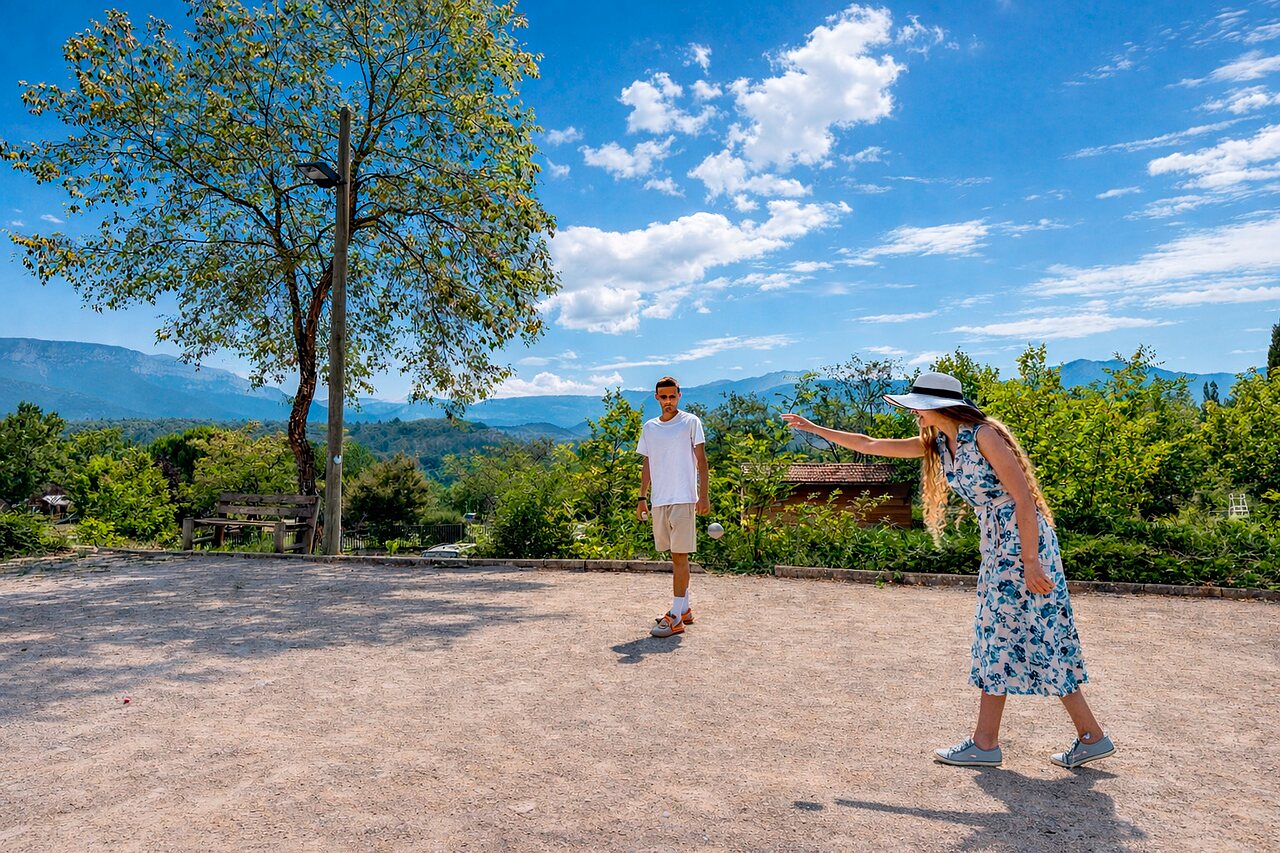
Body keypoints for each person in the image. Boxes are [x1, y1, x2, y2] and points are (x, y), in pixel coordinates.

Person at [781, 371, 1116, 769]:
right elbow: (870, 444)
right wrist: (813, 428)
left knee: (1016, 634)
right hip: (999, 544)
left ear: (937, 407)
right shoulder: (941, 443)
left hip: (1022, 543)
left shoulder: (984, 435)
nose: (914, 414)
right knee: (1018, 635)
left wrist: (1030, 562)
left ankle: (991, 743)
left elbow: (1023, 498)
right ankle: (1081, 736)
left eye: (917, 407)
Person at [637, 376, 710, 638]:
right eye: (663, 397)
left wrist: (703, 496)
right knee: (674, 556)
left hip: (683, 498)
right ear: (657, 398)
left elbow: (702, 462)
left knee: (680, 557)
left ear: (679, 395)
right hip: (660, 501)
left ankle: (676, 617)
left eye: (672, 396)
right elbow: (647, 464)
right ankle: (685, 608)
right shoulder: (650, 428)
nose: (668, 401)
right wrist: (642, 497)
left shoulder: (691, 422)